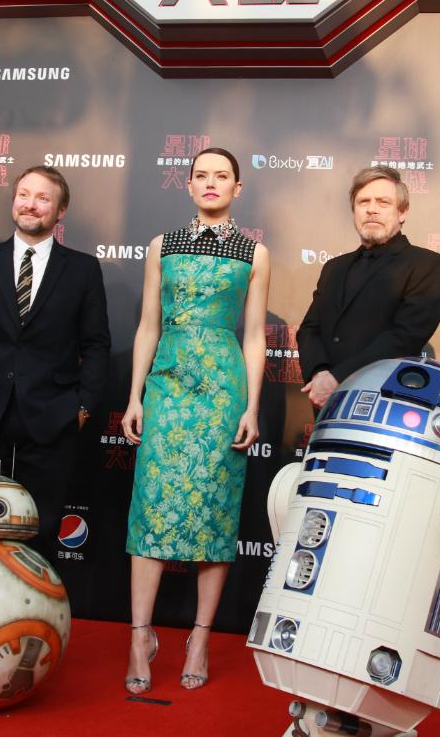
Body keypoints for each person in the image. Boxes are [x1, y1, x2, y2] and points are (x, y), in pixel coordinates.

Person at [121, 147, 270, 694]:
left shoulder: (254, 253)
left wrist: (251, 406)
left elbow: (254, 336)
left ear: (238, 187)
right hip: (168, 385)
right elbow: (146, 325)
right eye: (201, 176)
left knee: (214, 508)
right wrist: (135, 396)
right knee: (152, 505)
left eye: (222, 176)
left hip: (223, 391)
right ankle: (140, 637)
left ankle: (199, 638)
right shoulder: (162, 246)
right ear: (187, 186)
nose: (211, 183)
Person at [0, 166, 110, 561]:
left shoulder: (81, 269)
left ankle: (32, 617)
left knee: (40, 527)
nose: (31, 204)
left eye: (43, 198)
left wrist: (81, 408)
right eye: (24, 195)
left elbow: (96, 345)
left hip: (51, 416)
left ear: (60, 211)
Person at [298, 165, 440, 410]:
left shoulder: (426, 264)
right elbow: (309, 329)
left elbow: (405, 337)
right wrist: (319, 373)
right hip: (326, 403)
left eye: (383, 202)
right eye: (363, 202)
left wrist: (338, 378)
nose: (371, 209)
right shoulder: (334, 267)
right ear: (354, 211)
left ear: (402, 212)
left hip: (384, 405)